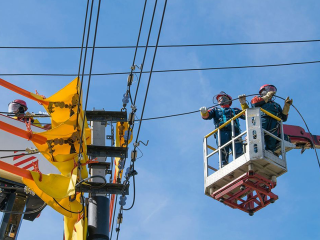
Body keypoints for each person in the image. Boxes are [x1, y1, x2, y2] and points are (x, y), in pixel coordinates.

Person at [239, 84, 293, 154]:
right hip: (261, 118)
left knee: (272, 137)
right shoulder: (257, 99)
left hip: (274, 121)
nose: (271, 91)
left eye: (272, 90)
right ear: (262, 91)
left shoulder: (276, 105)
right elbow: (254, 104)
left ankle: (270, 151)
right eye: (269, 89)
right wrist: (267, 96)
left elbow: (283, 118)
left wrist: (286, 107)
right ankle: (256, 150)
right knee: (257, 135)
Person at [200, 92, 245, 167]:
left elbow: (246, 115)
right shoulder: (215, 110)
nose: (222, 99)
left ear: (229, 100)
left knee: (237, 147)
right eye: (220, 99)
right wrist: (204, 112)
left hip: (234, 131)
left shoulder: (235, 110)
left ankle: (240, 161)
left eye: (224, 98)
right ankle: (224, 164)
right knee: (223, 149)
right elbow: (207, 116)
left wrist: (243, 104)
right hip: (221, 132)